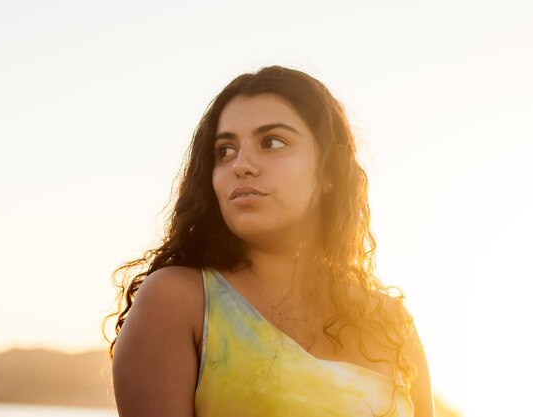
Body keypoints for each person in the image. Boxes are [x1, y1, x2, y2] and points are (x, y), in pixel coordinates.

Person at [106, 66, 434, 417]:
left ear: (328, 171)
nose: (242, 165)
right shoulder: (179, 302)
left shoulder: (390, 322)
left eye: (272, 142)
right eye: (225, 150)